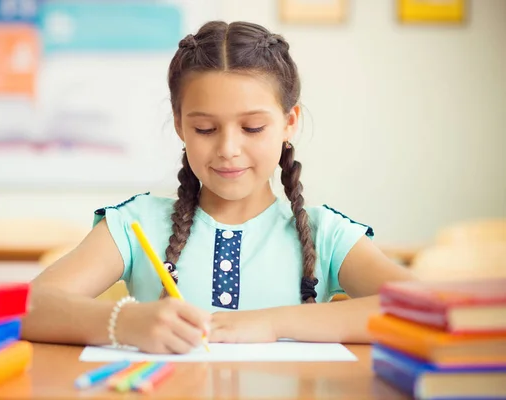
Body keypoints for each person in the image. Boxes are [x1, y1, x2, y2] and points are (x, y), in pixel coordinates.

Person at [21, 20, 414, 354]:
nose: (228, 149)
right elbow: (25, 307)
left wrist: (272, 323)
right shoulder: (134, 223)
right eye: (205, 129)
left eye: (253, 128)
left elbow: (421, 309)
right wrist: (122, 321)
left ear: (289, 122)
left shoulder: (325, 233)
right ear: (179, 124)